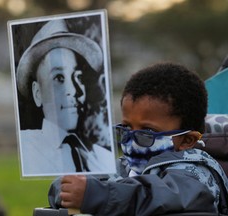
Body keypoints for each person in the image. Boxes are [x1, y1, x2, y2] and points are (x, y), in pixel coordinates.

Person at [48, 62, 228, 215]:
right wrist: (65, 189)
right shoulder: (126, 166)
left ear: (187, 140)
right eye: (126, 128)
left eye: (147, 132)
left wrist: (97, 195)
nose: (131, 141)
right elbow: (91, 181)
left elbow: (160, 198)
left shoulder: (196, 175)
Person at [15, 19, 115, 176]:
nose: (74, 91)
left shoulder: (103, 158)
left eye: (79, 78)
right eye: (59, 78)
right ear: (37, 93)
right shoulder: (25, 150)